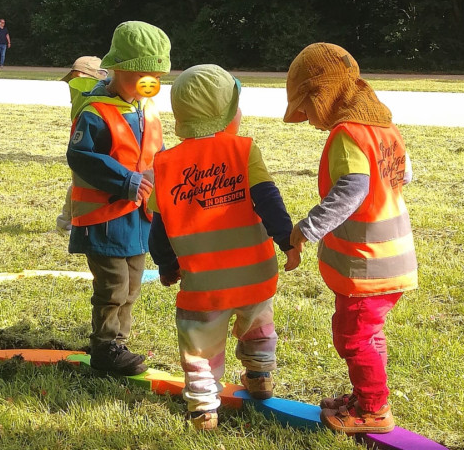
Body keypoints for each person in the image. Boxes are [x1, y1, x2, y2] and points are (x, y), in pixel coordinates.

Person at [148, 64, 300, 431]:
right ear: (226, 114)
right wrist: (287, 241)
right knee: (258, 326)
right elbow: (268, 200)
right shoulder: (244, 150)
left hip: (203, 285)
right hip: (254, 275)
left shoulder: (165, 164)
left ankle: (203, 408)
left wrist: (168, 267)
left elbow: (159, 229)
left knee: (200, 346)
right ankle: (260, 376)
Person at [283, 43, 417, 436]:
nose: (306, 118)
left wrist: (305, 229)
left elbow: (351, 191)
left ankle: (374, 410)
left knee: (353, 337)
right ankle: (366, 397)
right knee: (365, 334)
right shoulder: (383, 126)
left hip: (367, 263)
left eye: (306, 106)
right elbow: (404, 176)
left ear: (323, 94)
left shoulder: (348, 134)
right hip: (394, 258)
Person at [65, 21, 170, 376]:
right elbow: (81, 156)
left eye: (154, 78)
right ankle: (106, 346)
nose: (148, 85)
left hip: (139, 218)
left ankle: (117, 342)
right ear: (118, 69)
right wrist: (126, 180)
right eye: (142, 77)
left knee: (132, 283)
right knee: (113, 285)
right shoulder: (95, 111)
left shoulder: (146, 106)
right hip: (105, 217)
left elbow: (158, 151)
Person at [56, 56, 108, 233]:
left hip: (88, 140)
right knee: (81, 181)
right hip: (91, 141)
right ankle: (67, 222)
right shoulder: (93, 90)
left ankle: (68, 222)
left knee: (81, 181)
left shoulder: (82, 90)